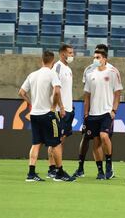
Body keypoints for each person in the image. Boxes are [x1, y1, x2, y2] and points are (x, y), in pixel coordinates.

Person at [18, 51, 75, 182]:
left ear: (41, 60)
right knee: (56, 144)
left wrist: (30, 102)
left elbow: (21, 92)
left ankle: (31, 173)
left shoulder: (32, 75)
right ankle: (60, 172)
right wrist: (55, 106)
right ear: (53, 61)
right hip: (48, 114)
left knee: (36, 143)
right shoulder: (52, 73)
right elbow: (57, 91)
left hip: (34, 114)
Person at [72, 44, 119, 178]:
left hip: (106, 111)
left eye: (98, 56)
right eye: (95, 56)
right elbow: (88, 92)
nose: (95, 59)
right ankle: (82, 168)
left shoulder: (112, 71)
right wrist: (86, 113)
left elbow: (117, 92)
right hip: (92, 112)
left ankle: (108, 167)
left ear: (105, 57)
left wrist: (113, 110)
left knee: (104, 137)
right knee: (87, 138)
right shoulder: (89, 70)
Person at [47, 44, 75, 178]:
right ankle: (53, 169)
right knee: (56, 141)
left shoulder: (68, 69)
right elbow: (55, 89)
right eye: (70, 53)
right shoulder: (57, 67)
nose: (72, 55)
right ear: (63, 54)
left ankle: (56, 168)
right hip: (60, 110)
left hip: (68, 109)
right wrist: (61, 107)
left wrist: (69, 106)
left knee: (61, 140)